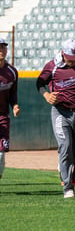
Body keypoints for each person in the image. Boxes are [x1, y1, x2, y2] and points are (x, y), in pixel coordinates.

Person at [36, 39, 75, 198]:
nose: (73, 62)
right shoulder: (53, 66)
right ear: (63, 54)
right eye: (70, 59)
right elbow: (40, 83)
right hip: (60, 112)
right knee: (65, 146)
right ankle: (67, 186)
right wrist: (47, 95)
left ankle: (66, 164)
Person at [0, 38, 20, 180]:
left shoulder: (12, 72)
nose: (1, 50)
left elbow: (13, 93)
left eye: (3, 47)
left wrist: (15, 105)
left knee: (1, 152)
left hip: (2, 116)